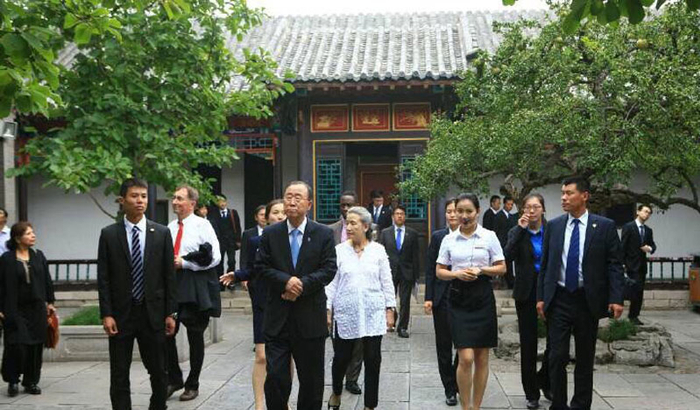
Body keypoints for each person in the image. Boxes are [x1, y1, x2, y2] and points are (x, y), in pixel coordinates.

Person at [536, 177, 624, 410]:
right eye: (562, 193)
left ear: (584, 196)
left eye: (569, 193)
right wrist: (541, 297)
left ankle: (581, 405)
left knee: (585, 358)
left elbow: (614, 265)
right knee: (557, 356)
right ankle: (558, 404)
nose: (563, 198)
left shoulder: (604, 226)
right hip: (559, 298)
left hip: (587, 300)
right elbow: (545, 266)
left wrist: (616, 298)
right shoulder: (554, 226)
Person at [256, 181, 337, 410]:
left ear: (309, 204)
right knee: (276, 379)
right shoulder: (271, 233)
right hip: (278, 318)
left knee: (311, 382)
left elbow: (329, 269)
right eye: (288, 196)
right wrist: (286, 282)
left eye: (298, 197)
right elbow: (261, 267)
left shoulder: (323, 234)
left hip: (310, 319)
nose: (291, 201)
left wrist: (301, 285)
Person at [97, 178, 177, 410]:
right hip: (121, 314)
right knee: (119, 372)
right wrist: (106, 314)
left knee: (158, 370)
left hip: (153, 313)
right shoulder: (109, 234)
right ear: (122, 200)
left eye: (143, 196)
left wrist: (171, 313)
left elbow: (169, 276)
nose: (140, 201)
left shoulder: (161, 233)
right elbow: (104, 278)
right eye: (134, 196)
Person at [436, 193, 506, 410]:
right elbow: (439, 271)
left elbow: (502, 267)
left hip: (482, 296)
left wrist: (481, 269)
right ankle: (465, 406)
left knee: (482, 357)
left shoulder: (489, 236)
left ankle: (476, 406)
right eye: (460, 211)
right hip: (458, 298)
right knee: (465, 357)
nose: (464, 216)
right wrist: (456, 274)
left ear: (477, 212)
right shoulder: (449, 239)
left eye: (469, 211)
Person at [326, 206, 396, 410]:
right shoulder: (339, 251)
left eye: (353, 223)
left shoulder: (378, 251)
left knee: (373, 359)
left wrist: (390, 309)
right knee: (341, 358)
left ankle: (370, 405)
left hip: (373, 312)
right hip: (345, 313)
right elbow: (331, 283)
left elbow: (387, 281)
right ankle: (336, 391)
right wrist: (327, 309)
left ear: (365, 226)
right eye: (347, 223)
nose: (348, 227)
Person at [220, 200, 284, 410]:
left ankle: (283, 402)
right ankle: (259, 404)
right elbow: (252, 268)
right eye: (275, 212)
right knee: (261, 356)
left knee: (286, 357)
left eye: (283, 212)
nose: (280, 216)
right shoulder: (256, 241)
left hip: (286, 303)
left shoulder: (294, 242)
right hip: (263, 302)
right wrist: (238, 275)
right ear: (266, 217)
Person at [166, 185, 221, 402]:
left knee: (195, 336)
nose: (175, 202)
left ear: (192, 203)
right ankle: (174, 378)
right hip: (172, 284)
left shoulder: (202, 225)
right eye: (174, 198)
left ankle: (193, 383)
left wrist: (187, 263)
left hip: (196, 284)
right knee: (165, 333)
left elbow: (215, 257)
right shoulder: (169, 227)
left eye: (180, 198)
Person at [504, 193, 550, 409]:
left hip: (551, 290)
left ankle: (546, 380)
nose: (532, 211)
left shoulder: (553, 230)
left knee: (556, 343)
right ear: (522, 210)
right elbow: (506, 257)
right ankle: (531, 392)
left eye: (536, 207)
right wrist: (520, 230)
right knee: (528, 343)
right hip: (526, 292)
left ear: (543, 209)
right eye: (528, 207)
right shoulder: (516, 232)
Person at [0, 222, 56, 397]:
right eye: (28, 233)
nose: (33, 236)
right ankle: (13, 380)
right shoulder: (7, 259)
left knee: (35, 347)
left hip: (36, 309)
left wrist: (50, 302)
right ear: (18, 238)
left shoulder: (38, 255)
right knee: (16, 345)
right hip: (14, 309)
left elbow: (47, 280)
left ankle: (31, 381)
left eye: (33, 232)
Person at [327, 191, 364, 395]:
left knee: (359, 339)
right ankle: (339, 374)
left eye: (350, 205)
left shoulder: (369, 229)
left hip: (360, 292)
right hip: (336, 291)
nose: (346, 209)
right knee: (339, 339)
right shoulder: (330, 231)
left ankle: (352, 379)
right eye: (343, 205)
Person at [424, 198, 459, 406]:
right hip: (442, 296)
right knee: (444, 345)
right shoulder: (438, 237)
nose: (452, 215)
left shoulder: (471, 237)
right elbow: (430, 269)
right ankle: (449, 388)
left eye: (455, 211)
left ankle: (458, 378)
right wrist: (428, 297)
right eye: (449, 211)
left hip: (463, 296)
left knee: (463, 344)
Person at [378, 205, 420, 338]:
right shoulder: (385, 233)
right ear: (393, 216)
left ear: (405, 216)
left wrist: (416, 275)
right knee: (389, 298)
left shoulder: (412, 233)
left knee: (405, 300)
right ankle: (391, 321)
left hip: (406, 271)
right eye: (397, 214)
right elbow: (380, 253)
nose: (400, 216)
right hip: (389, 271)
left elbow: (415, 255)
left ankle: (403, 327)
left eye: (402, 214)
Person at [621, 204, 656, 325]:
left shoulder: (648, 230)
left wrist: (649, 248)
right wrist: (621, 264)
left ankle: (634, 315)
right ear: (638, 212)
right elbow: (623, 246)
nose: (647, 214)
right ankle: (625, 314)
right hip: (630, 265)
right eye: (645, 211)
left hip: (642, 266)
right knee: (632, 290)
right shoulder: (628, 227)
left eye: (649, 213)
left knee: (639, 291)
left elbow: (653, 245)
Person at [210, 194, 242, 276]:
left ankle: (230, 277)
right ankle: (220, 279)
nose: (222, 203)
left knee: (232, 261)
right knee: (219, 261)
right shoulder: (214, 214)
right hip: (220, 241)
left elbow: (237, 226)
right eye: (220, 202)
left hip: (231, 241)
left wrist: (238, 240)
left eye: (223, 201)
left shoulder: (233, 212)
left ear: (226, 202)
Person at [495, 196, 517, 288]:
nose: (510, 206)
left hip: (510, 243)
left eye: (511, 205)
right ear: (504, 204)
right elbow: (496, 230)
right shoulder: (498, 216)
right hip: (502, 243)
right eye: (508, 204)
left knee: (509, 263)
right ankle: (507, 282)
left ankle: (510, 282)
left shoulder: (511, 217)